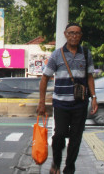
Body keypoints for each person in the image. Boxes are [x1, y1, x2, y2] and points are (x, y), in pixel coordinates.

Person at [37, 23, 97, 174]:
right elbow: (45, 78)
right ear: (65, 34)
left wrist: (94, 98)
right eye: (71, 33)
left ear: (81, 35)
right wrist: (42, 102)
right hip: (61, 104)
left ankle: (69, 168)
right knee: (59, 135)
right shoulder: (57, 55)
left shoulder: (86, 54)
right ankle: (56, 163)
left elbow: (89, 77)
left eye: (77, 33)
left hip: (80, 104)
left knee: (76, 138)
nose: (74, 36)